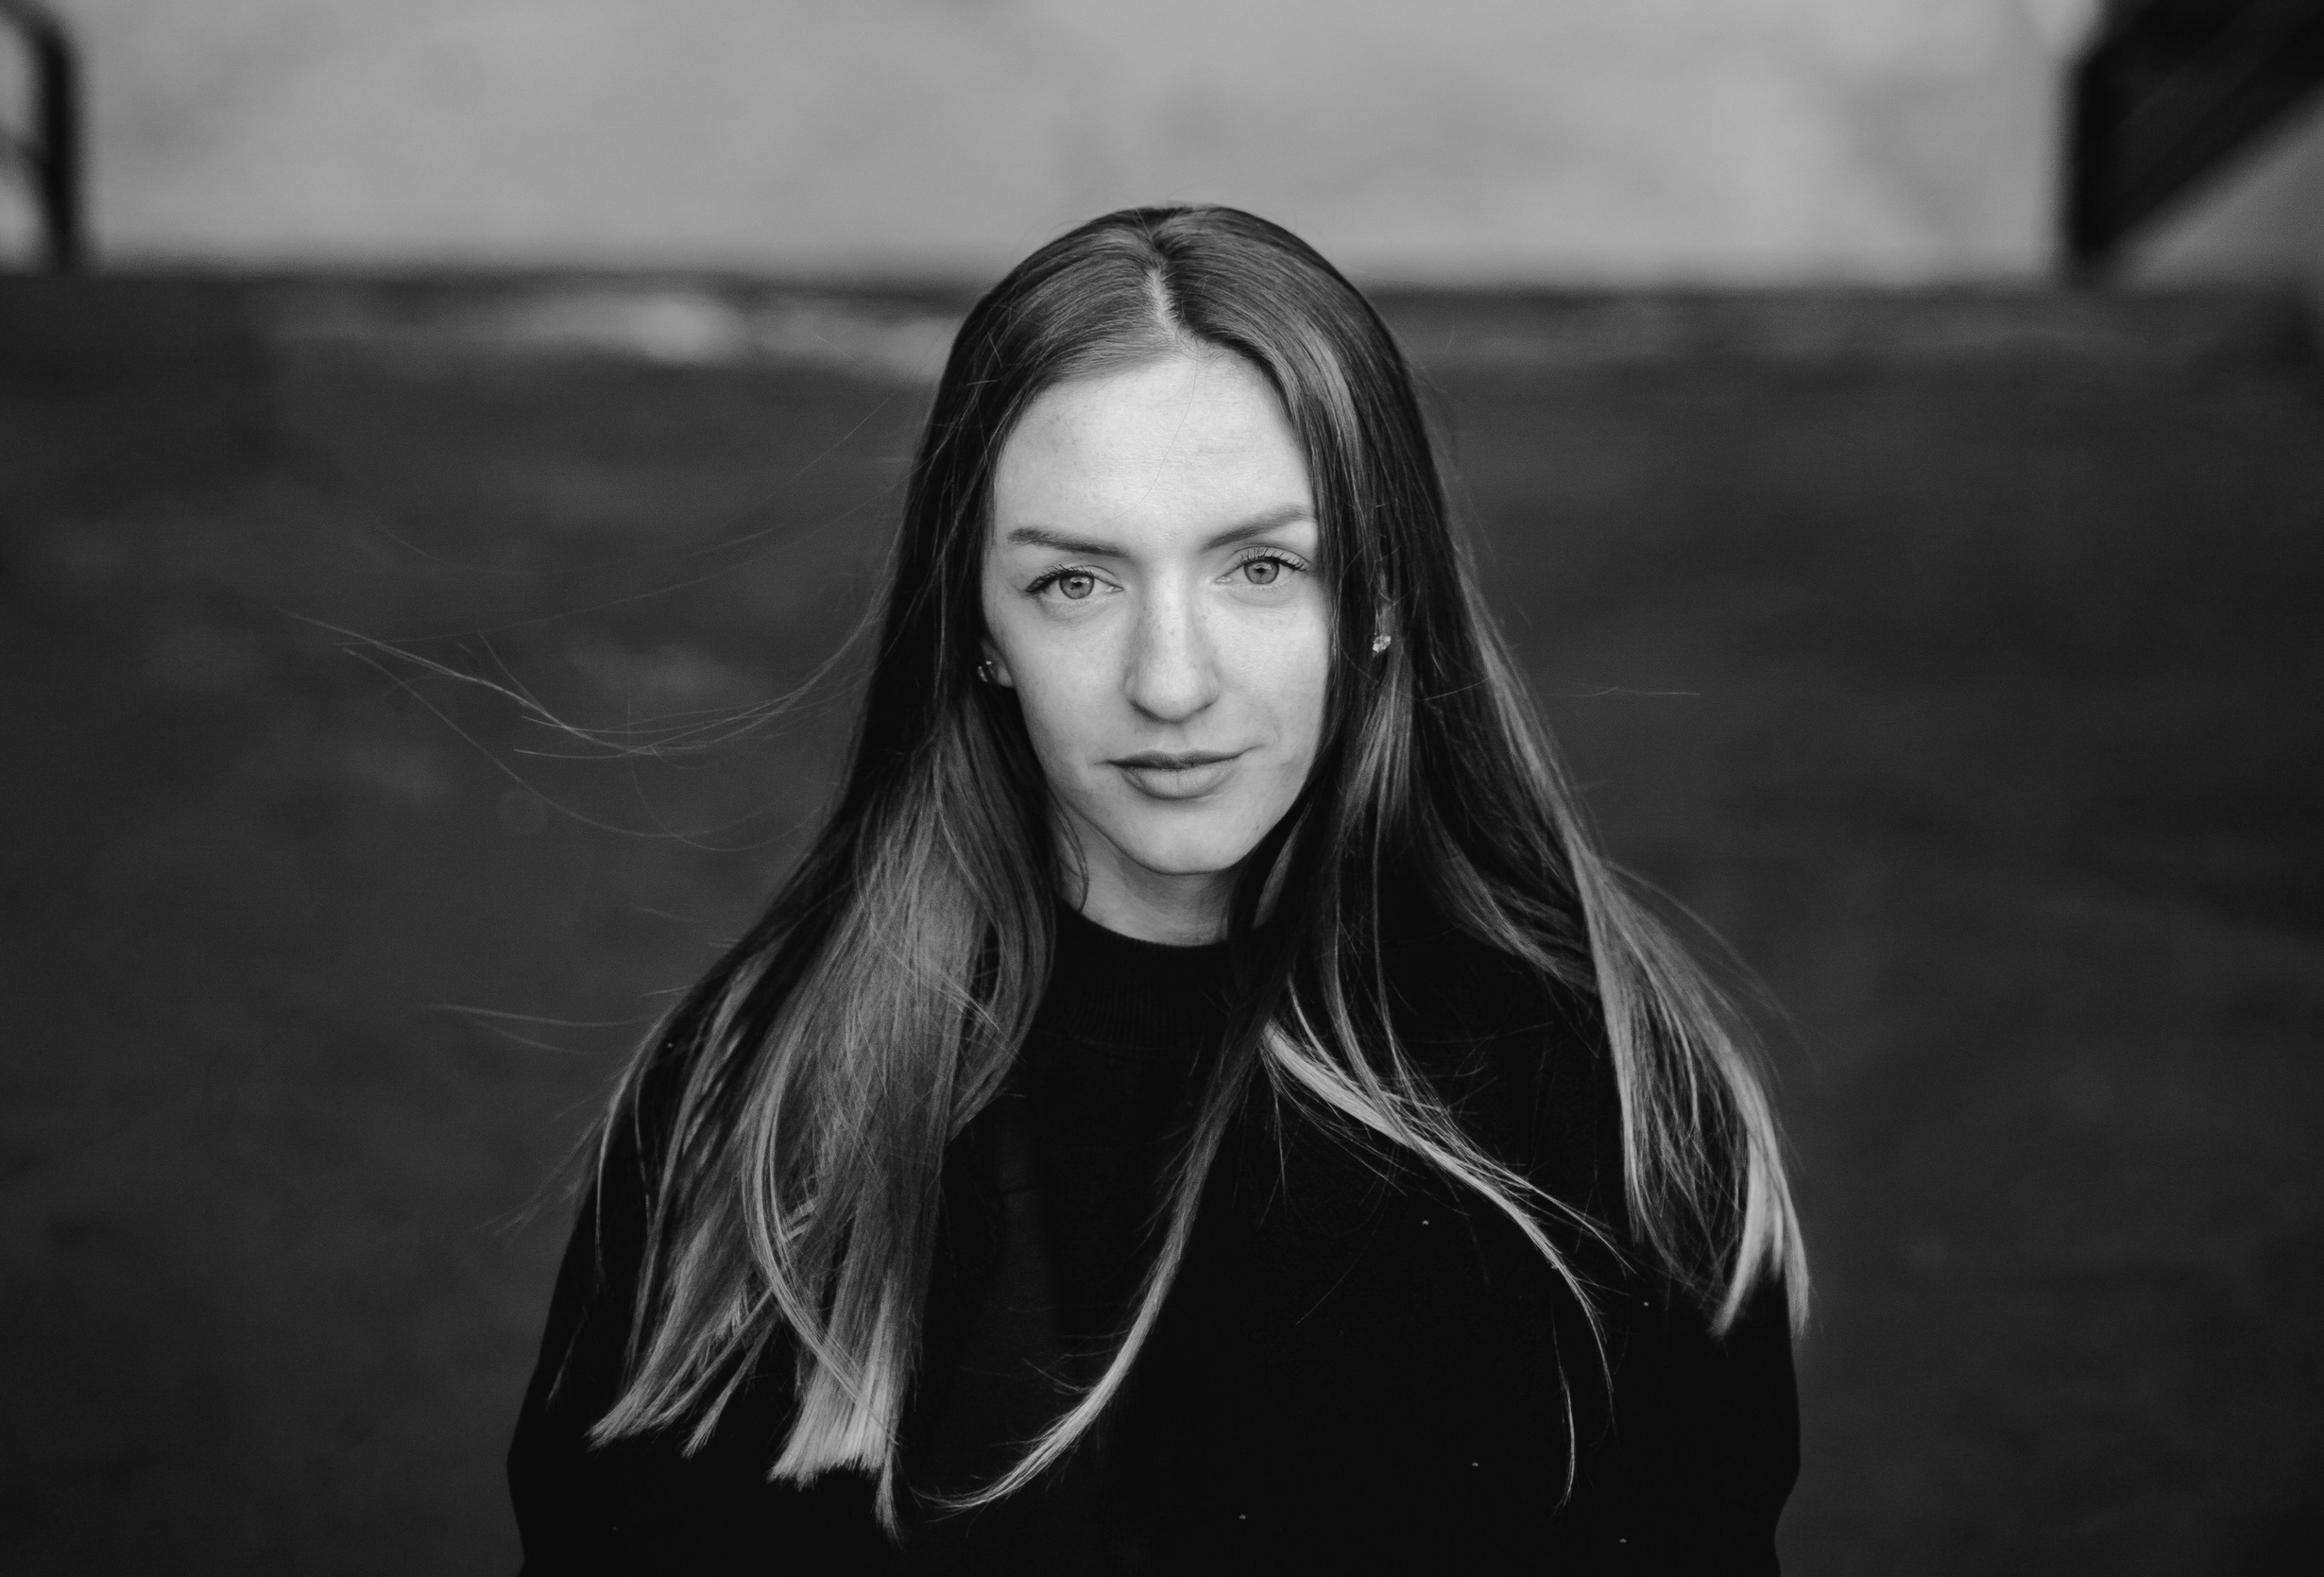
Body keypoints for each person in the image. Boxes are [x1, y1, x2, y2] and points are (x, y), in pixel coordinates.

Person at [509, 205, 1804, 1572]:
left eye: (1263, 567)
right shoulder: (767, 1097)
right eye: (1075, 581)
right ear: (980, 628)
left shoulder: (1603, 1094)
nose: (1171, 682)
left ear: (1380, 600)